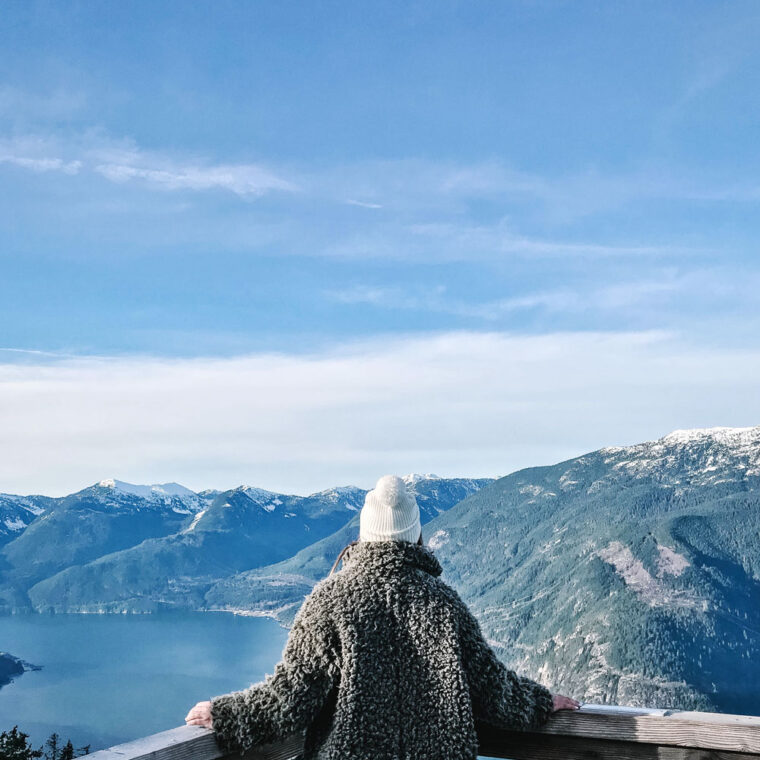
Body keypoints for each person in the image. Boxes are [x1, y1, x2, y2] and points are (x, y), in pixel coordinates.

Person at [186, 475, 580, 759]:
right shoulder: (444, 603)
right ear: (416, 535)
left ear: (363, 534)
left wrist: (226, 714)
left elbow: (290, 700)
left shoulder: (330, 600)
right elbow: (493, 691)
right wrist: (542, 702)